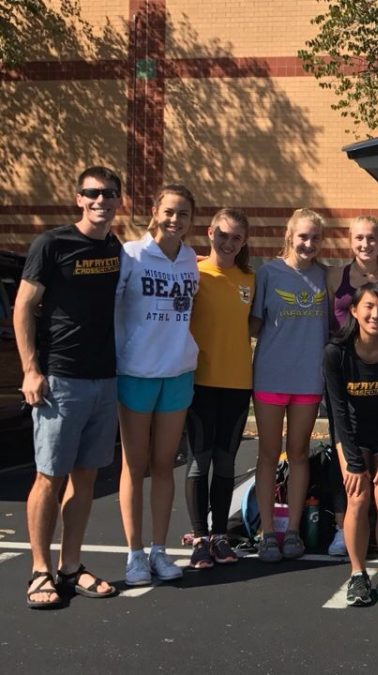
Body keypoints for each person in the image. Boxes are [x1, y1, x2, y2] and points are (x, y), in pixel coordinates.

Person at [15, 166, 123, 608]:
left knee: (86, 478)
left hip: (104, 378)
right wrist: (30, 370)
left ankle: (71, 566)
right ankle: (40, 570)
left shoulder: (115, 247)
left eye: (109, 194)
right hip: (61, 379)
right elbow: (23, 307)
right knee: (49, 476)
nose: (101, 201)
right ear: (78, 198)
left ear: (119, 200)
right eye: (93, 194)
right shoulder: (51, 244)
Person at [116, 184, 200, 586]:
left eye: (183, 214)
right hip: (136, 372)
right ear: (154, 211)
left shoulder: (189, 261)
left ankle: (159, 550)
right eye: (169, 211)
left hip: (178, 372)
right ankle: (134, 553)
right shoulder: (131, 254)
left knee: (165, 464)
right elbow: (114, 311)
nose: (175, 220)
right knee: (135, 465)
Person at [323, 283, 378, 606]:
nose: (377, 314)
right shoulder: (336, 353)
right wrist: (354, 463)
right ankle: (358, 575)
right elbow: (337, 411)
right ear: (355, 311)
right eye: (369, 307)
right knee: (357, 498)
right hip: (352, 435)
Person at [251, 208, 329, 562]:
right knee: (268, 455)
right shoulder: (268, 274)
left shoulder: (326, 278)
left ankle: (293, 529)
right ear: (289, 235)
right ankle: (268, 531)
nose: (308, 243)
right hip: (271, 377)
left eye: (315, 238)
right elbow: (252, 326)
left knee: (298, 454)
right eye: (303, 236)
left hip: (308, 380)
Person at [326, 215, 378, 557]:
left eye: (372, 238)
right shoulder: (333, 275)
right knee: (353, 480)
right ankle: (345, 530)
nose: (365, 244)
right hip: (346, 370)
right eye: (359, 238)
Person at [184, 208, 255, 569]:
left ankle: (219, 537)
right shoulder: (192, 271)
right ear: (210, 232)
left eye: (236, 238)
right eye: (222, 235)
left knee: (225, 461)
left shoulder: (249, 279)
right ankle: (199, 538)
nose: (228, 243)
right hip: (198, 381)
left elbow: (256, 324)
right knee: (200, 460)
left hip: (238, 383)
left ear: (243, 242)